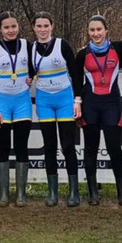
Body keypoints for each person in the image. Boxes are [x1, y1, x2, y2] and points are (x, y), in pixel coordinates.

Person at [72, 14, 122, 207]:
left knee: (114, 149)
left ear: (106, 30)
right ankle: (92, 193)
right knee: (91, 148)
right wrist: (77, 101)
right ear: (88, 32)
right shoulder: (82, 54)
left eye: (99, 29)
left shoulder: (119, 49)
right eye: (92, 30)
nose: (96, 33)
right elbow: (76, 80)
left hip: (111, 105)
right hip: (90, 105)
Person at [28, 11, 80, 207]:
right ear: (33, 28)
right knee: (49, 146)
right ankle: (52, 192)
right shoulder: (31, 48)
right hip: (44, 100)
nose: (42, 30)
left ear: (52, 27)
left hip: (64, 99)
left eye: (46, 26)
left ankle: (74, 192)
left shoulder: (62, 45)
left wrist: (77, 100)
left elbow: (76, 73)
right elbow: (30, 72)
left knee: (68, 145)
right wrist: (27, 79)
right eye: (39, 26)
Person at [0, 11, 34, 207]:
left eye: (13, 26)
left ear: (18, 26)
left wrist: (32, 77)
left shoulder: (27, 45)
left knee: (21, 147)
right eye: (6, 27)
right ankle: (3, 193)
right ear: (0, 29)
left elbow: (37, 65)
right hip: (2, 103)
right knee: (2, 147)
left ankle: (21, 194)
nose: (11, 30)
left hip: (22, 103)